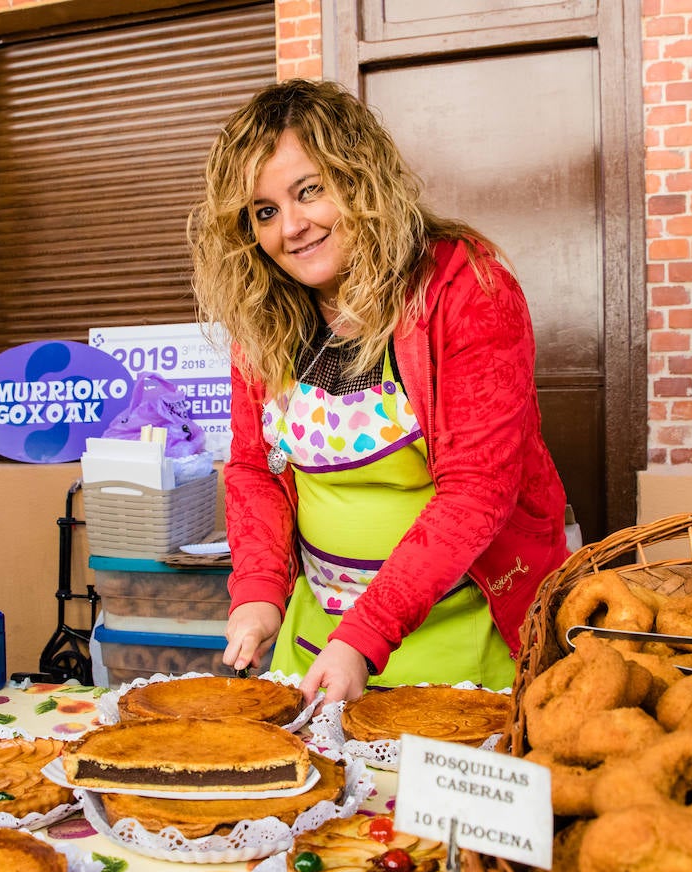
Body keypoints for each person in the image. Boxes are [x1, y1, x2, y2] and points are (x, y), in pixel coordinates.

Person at [189, 78, 568, 705]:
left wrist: (366, 633)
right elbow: (256, 469)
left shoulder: (466, 288)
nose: (293, 227)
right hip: (318, 645)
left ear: (359, 178)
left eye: (309, 191)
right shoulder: (264, 316)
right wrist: (257, 593)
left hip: (461, 639)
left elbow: (477, 491)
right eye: (264, 211)